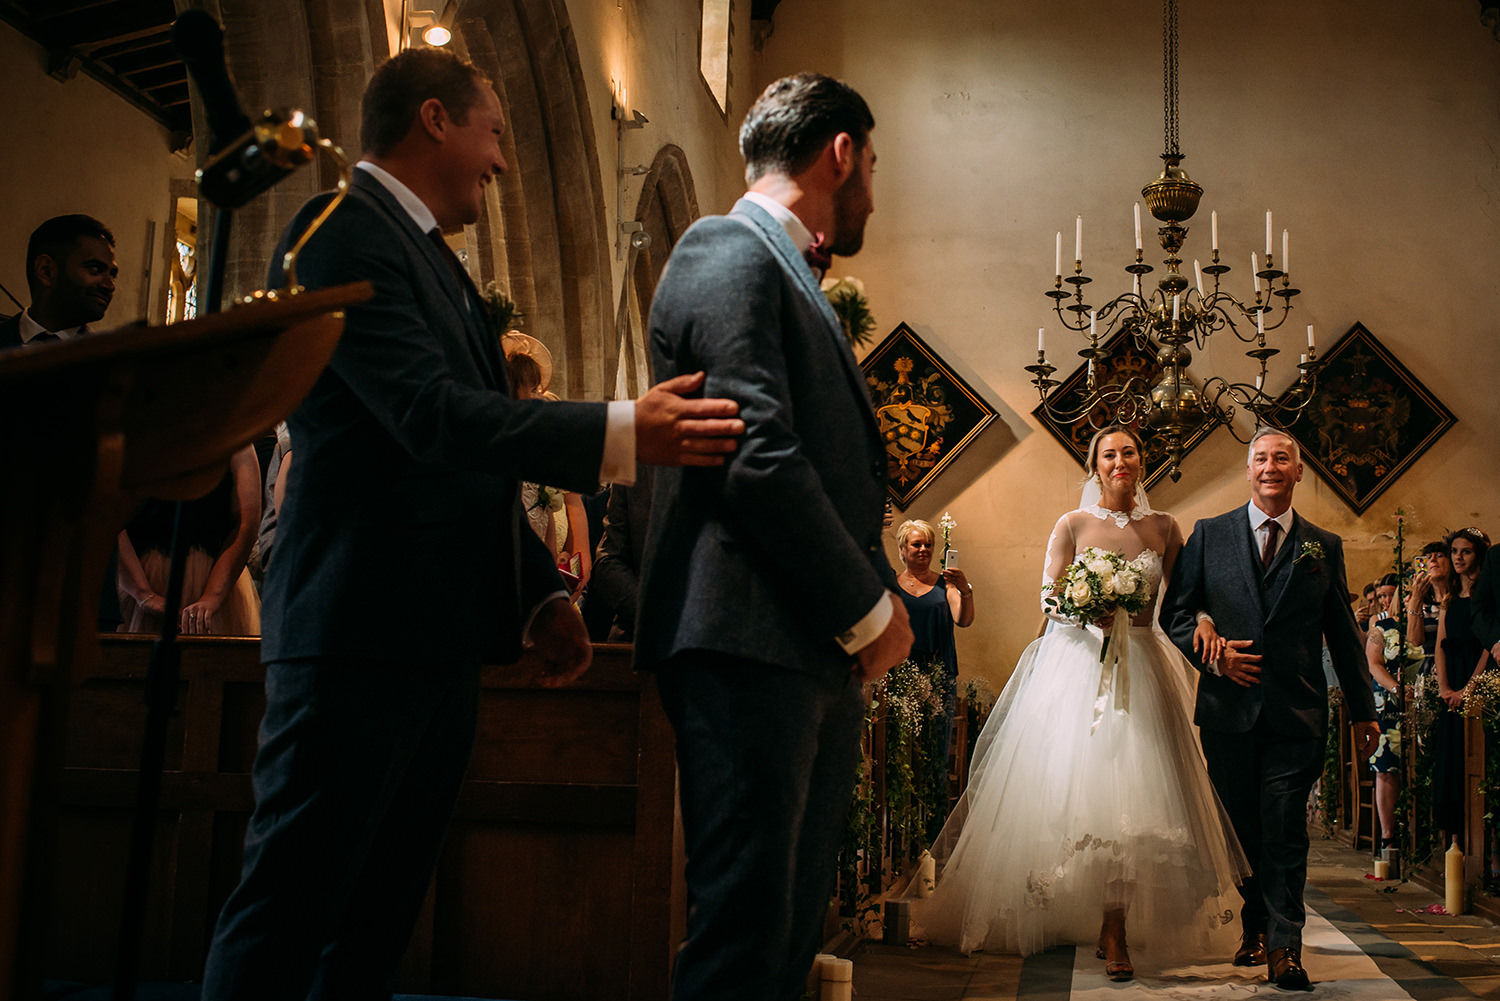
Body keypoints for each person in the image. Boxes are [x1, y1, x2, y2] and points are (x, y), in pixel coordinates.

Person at [200, 48, 743, 1001]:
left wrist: (536, 594)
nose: (503, 161)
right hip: (355, 632)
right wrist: (623, 430)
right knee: (293, 901)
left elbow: (466, 468)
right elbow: (428, 417)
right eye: (495, 133)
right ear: (436, 121)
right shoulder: (342, 229)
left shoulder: (434, 263)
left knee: (375, 916)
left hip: (429, 636)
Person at [634, 72, 913, 1001]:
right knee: (746, 930)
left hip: (792, 647)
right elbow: (754, 449)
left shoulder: (784, 268)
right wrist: (870, 609)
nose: (873, 185)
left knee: (787, 930)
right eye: (872, 163)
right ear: (840, 153)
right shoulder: (727, 247)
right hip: (745, 639)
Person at [912, 426, 1246, 980]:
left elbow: (1187, 598)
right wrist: (1081, 610)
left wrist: (1206, 620)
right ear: (1095, 465)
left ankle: (1115, 926)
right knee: (1077, 795)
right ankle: (1083, 914)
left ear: (1143, 461)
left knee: (1138, 801)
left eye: (1129, 451)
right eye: (1109, 454)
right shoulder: (1072, 523)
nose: (1120, 461)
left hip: (1141, 662)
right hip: (1080, 667)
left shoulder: (1165, 527)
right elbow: (1049, 592)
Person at [1162, 426, 1379, 991]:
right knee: (1242, 828)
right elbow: (1176, 615)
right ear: (1249, 469)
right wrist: (1210, 654)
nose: (1270, 467)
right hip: (1228, 710)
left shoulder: (1322, 546)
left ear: (1299, 472)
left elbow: (1344, 636)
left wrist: (1365, 711)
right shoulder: (1209, 535)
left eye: (1282, 458)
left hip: (1296, 714)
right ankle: (1254, 924)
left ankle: (1286, 946)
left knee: (1284, 827)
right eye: (1261, 458)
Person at [116, 444, 263, 635]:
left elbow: (246, 524)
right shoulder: (134, 434)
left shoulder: (236, 438)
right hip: (140, 577)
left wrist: (212, 596)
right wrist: (143, 594)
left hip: (216, 578)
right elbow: (108, 520)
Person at [893, 518, 974, 767]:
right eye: (916, 544)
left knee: (935, 752)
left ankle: (934, 805)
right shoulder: (892, 586)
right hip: (900, 676)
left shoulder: (945, 585)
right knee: (899, 748)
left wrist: (965, 591)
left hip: (939, 675)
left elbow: (963, 619)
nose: (923, 549)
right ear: (903, 550)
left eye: (928, 544)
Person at [1433, 527, 1492, 845]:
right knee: (1452, 764)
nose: (1457, 557)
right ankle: (1455, 843)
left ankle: (1479, 846)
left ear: (1478, 555)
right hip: (1451, 688)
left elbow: (1488, 646)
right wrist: (1444, 687)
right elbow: (1441, 642)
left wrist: (1469, 689)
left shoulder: (1487, 599)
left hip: (1476, 685)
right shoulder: (1450, 600)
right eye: (1454, 551)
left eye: (1465, 551)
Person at [0, 213, 116, 349]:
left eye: (112, 275)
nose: (109, 286)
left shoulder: (113, 362)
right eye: (95, 269)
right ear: (46, 270)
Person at [1363, 572, 1403, 851]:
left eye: (1391, 594)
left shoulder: (1413, 614)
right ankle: (1388, 837)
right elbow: (1373, 662)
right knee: (1386, 765)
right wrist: (1396, 689)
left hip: (1412, 693)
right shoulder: (1378, 623)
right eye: (1382, 596)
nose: (1387, 600)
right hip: (1386, 699)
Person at [1408, 541, 1452, 665]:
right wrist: (1416, 598)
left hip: (1457, 662)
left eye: (1439, 555)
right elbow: (1415, 640)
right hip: (1431, 667)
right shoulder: (1421, 602)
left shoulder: (1460, 596)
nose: (1433, 559)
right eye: (1428, 557)